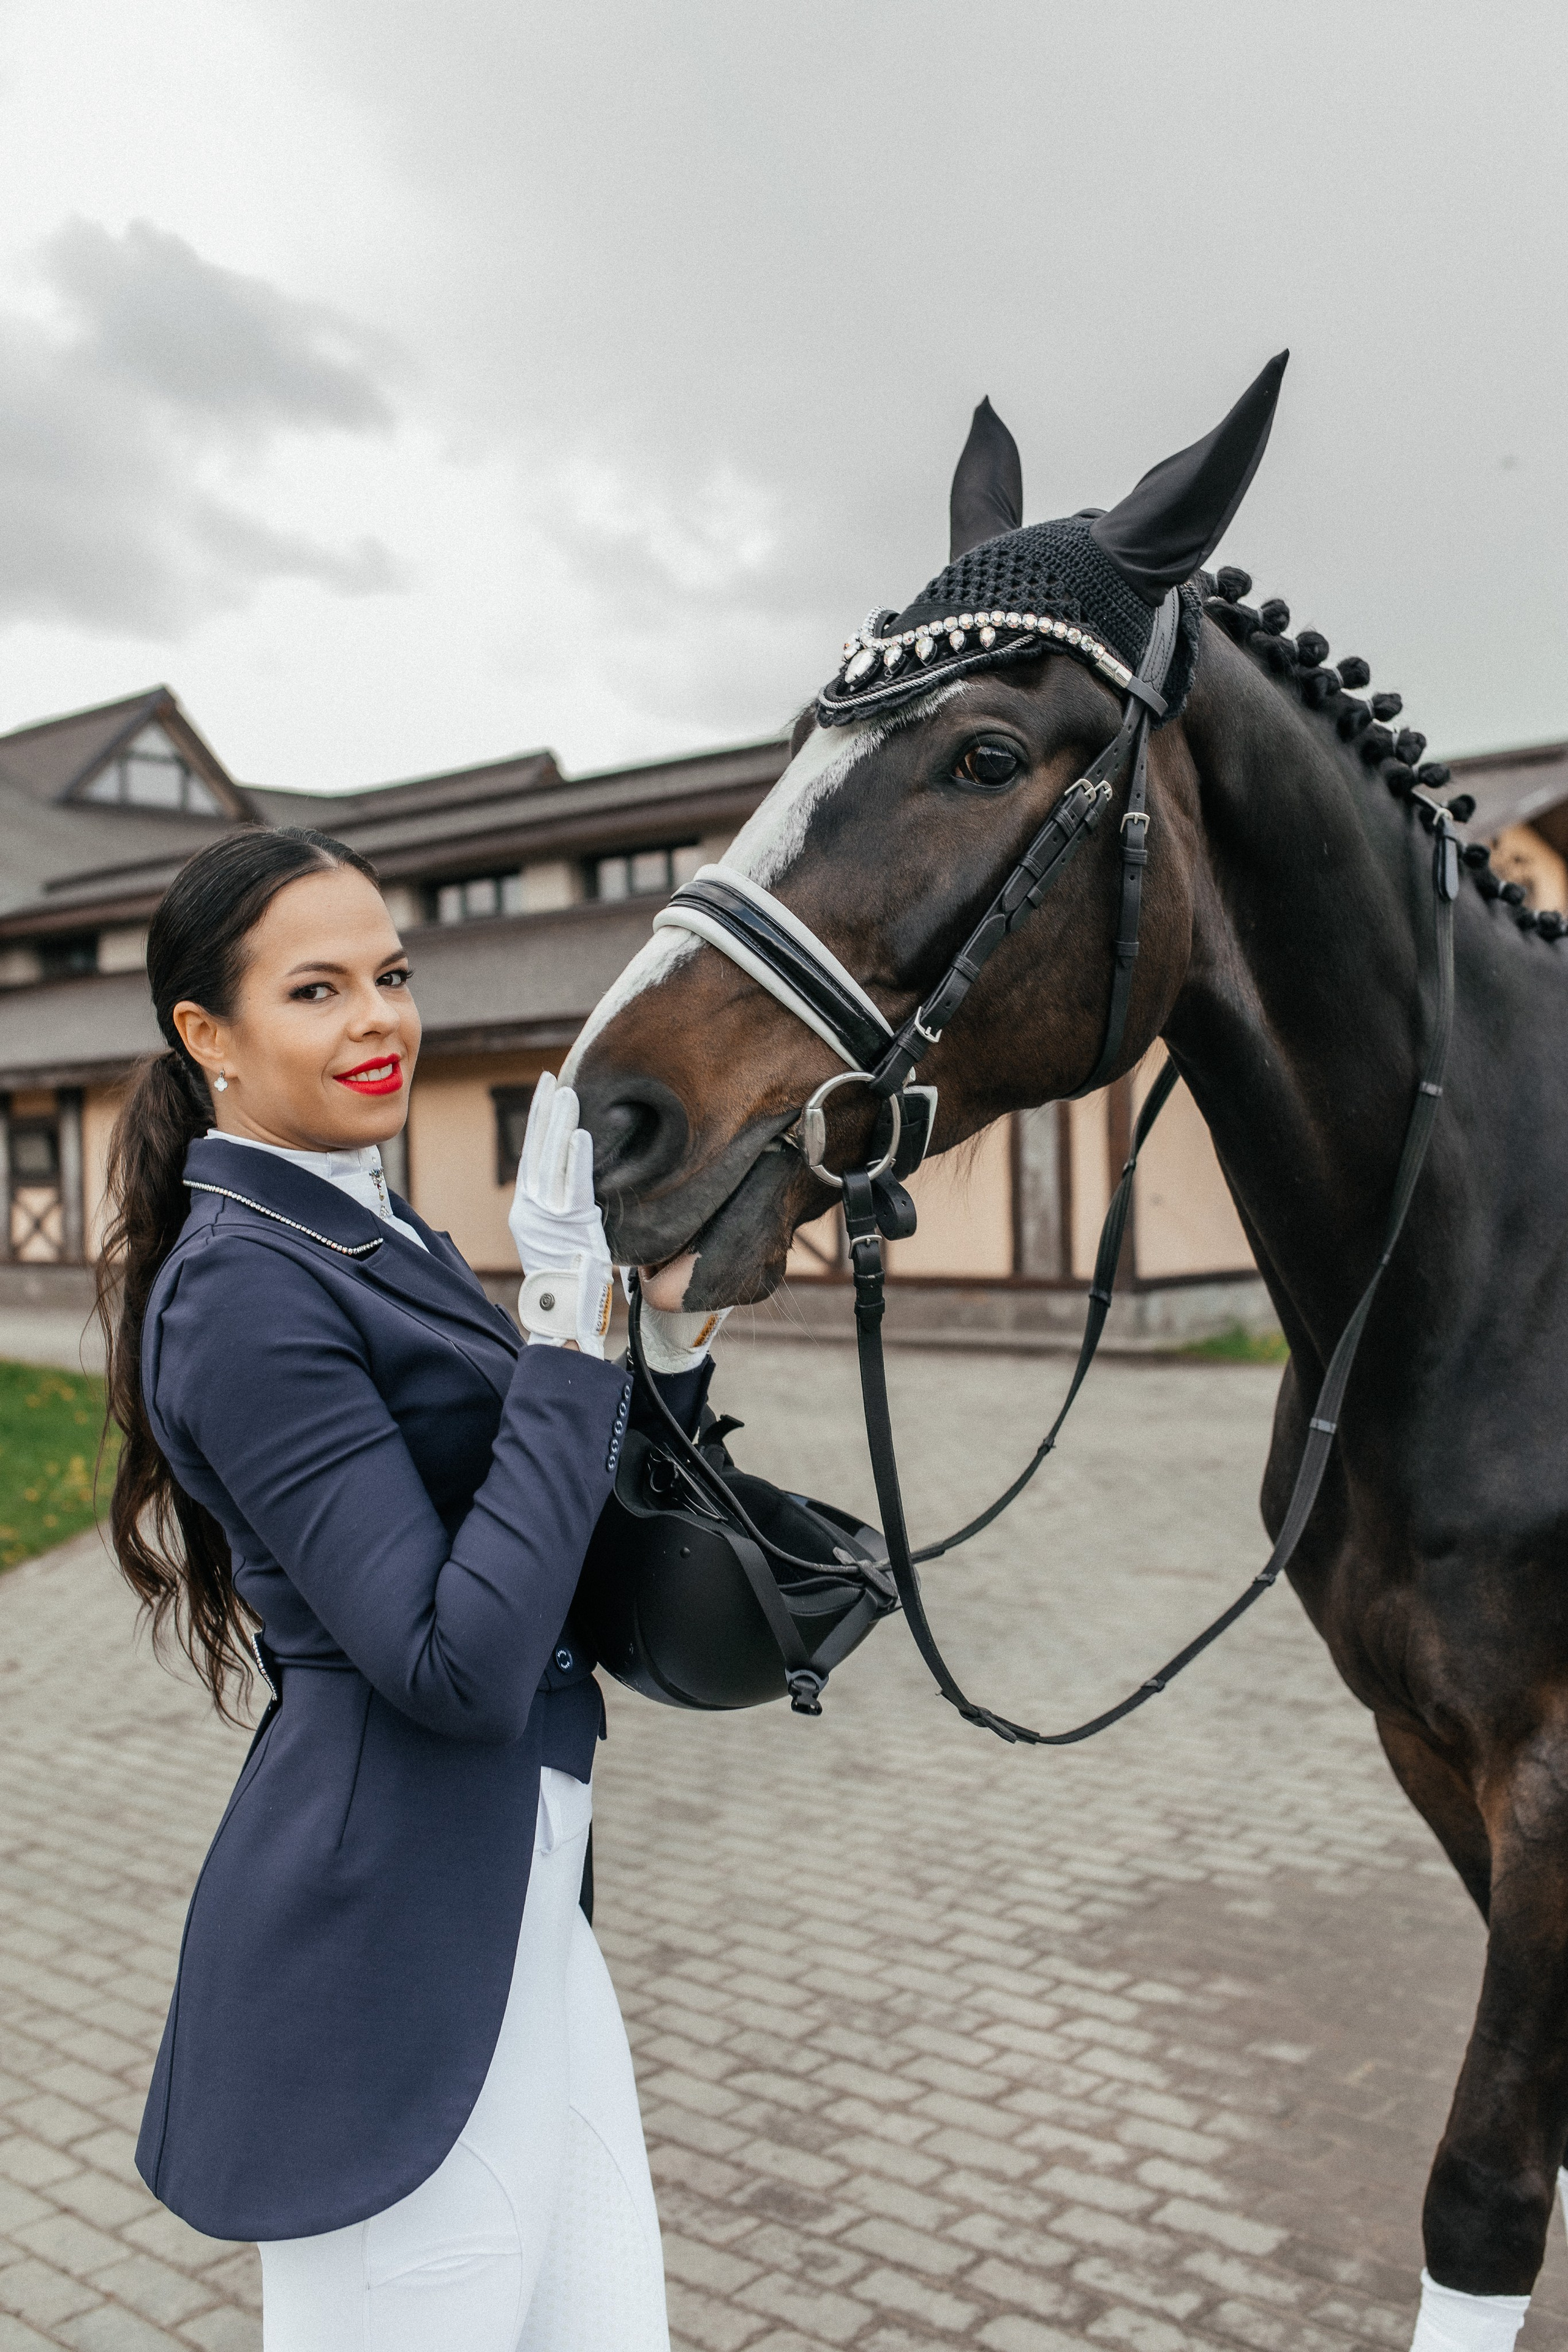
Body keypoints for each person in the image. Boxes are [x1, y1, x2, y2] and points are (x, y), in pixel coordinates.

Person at [97, 826, 725, 2351]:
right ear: (208, 1036)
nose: (378, 1018)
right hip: (387, 1941)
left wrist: (659, 1334)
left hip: (514, 1898)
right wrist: (559, 1324)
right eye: (316, 990)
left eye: (390, 975)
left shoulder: (361, 1226)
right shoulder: (243, 1287)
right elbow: (455, 1663)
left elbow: (544, 1515)